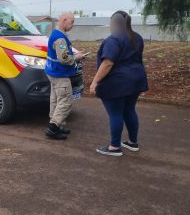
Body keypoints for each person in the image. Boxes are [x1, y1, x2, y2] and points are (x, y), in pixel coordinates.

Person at [90, 11, 148, 156]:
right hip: (135, 80)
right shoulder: (137, 38)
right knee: (129, 110)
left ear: (114, 23)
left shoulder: (113, 39)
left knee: (116, 113)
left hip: (117, 82)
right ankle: (133, 142)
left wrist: (94, 82)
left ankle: (114, 147)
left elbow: (108, 63)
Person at [44, 12, 85, 140]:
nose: (73, 25)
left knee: (56, 99)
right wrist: (77, 57)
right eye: (72, 22)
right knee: (66, 101)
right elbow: (64, 59)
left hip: (53, 72)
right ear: (64, 20)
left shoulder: (55, 34)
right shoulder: (60, 38)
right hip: (60, 74)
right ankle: (53, 127)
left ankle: (57, 124)